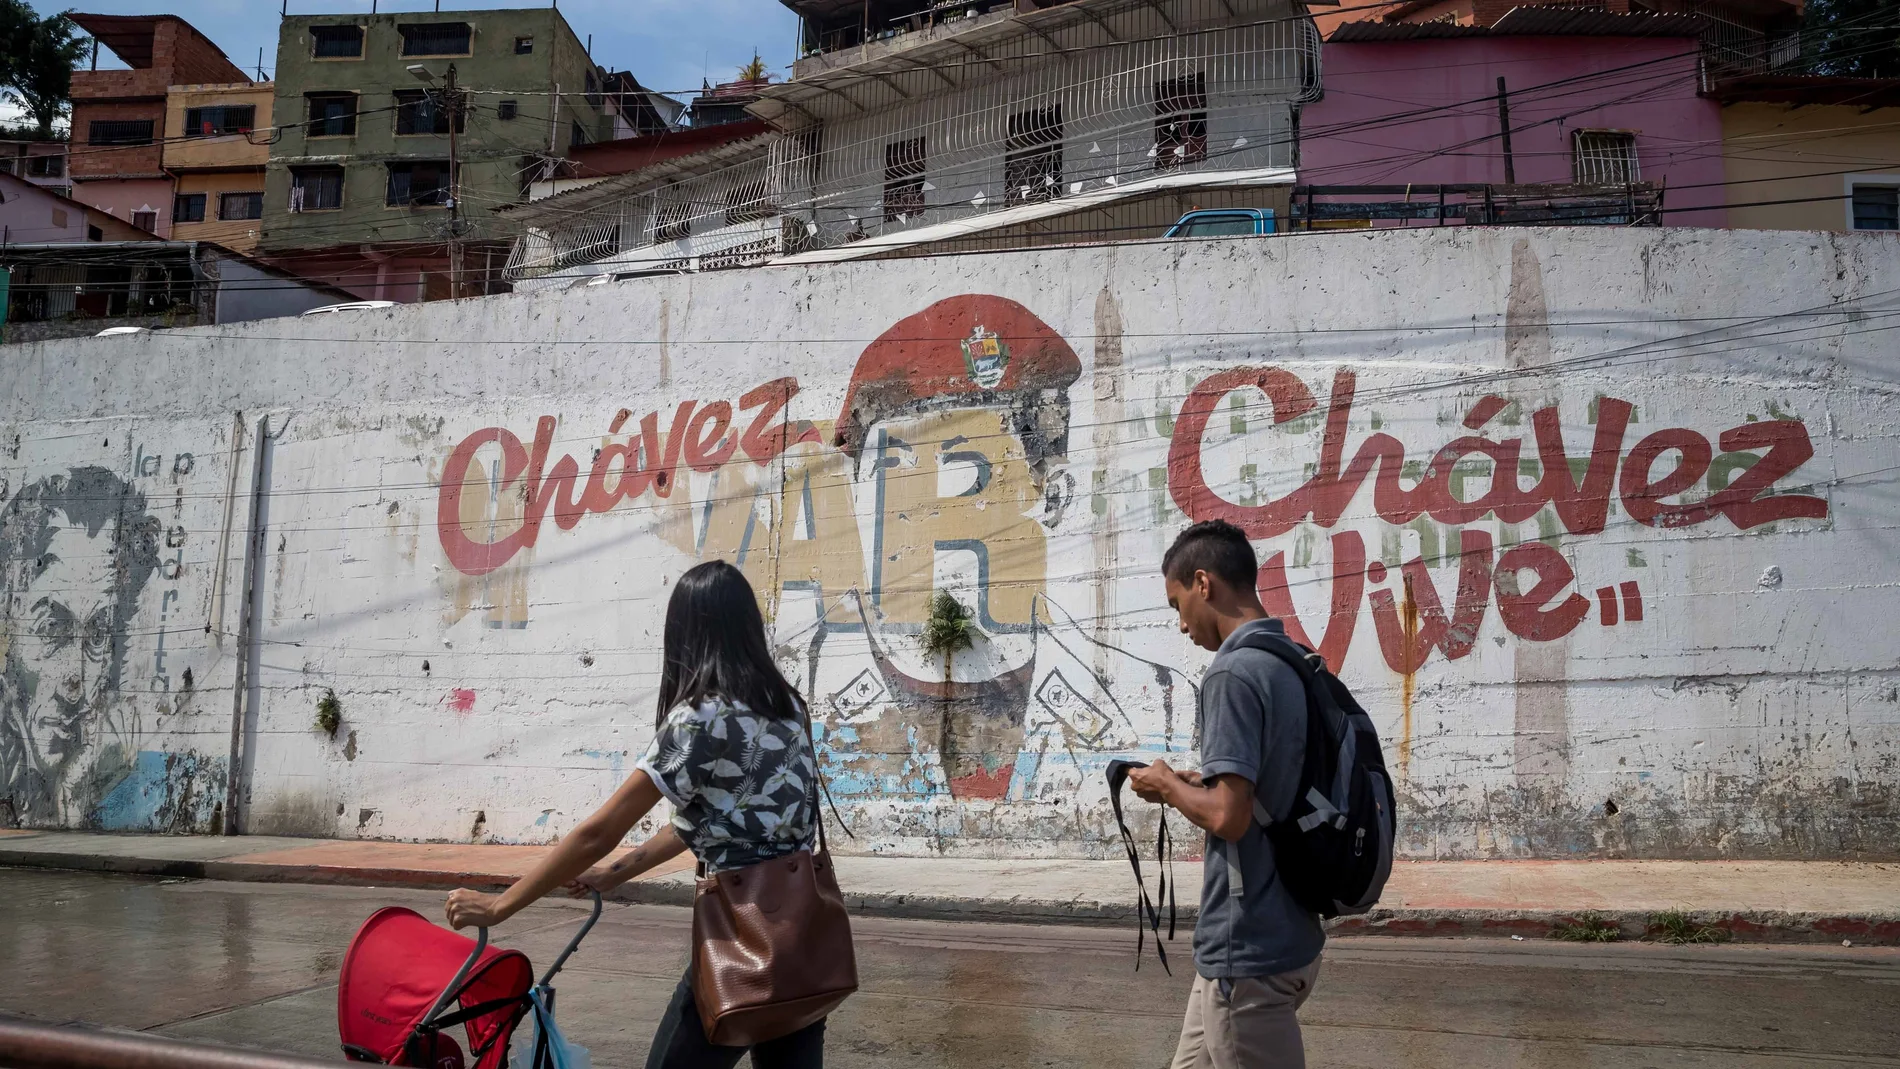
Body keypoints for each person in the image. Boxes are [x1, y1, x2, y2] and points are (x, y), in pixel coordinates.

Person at [444, 560, 828, 1069]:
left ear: (686, 633)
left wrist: (500, 908)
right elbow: (705, 824)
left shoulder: (699, 720)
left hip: (738, 942)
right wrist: (615, 874)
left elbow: (598, 831)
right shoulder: (788, 708)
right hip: (802, 943)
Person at [1128, 519, 1324, 1069]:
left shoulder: (1232, 673)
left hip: (1250, 950)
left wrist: (1168, 785)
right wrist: (1202, 783)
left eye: (1177, 604)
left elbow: (1230, 818)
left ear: (1203, 583)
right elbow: (1267, 789)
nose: (1182, 625)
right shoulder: (1292, 661)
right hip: (1284, 931)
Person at [0, 468, 160, 826]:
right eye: (53, 628)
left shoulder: (119, 760)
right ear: (7, 619)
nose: (75, 681)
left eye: (98, 637)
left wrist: (71, 801)